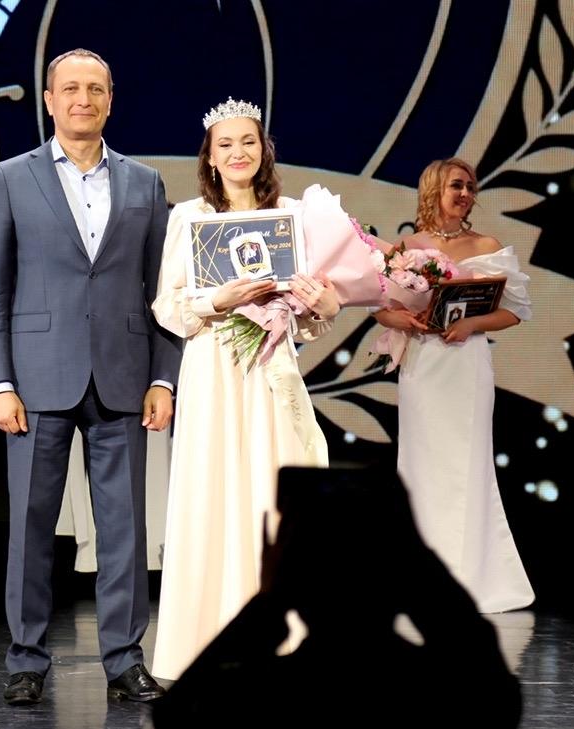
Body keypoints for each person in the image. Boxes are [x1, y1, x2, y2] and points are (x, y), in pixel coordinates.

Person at [0, 48, 182, 706]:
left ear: (110, 100)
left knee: (124, 530)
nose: (82, 99)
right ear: (49, 99)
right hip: (36, 381)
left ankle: (124, 660)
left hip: (124, 377)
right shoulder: (10, 179)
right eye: (70, 88)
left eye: (95, 88)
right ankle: (27, 659)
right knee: (31, 526)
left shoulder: (145, 183)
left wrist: (164, 378)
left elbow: (163, 294)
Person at [150, 97, 341, 680]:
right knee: (211, 490)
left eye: (248, 142)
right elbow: (167, 306)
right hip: (212, 369)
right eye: (226, 144)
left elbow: (313, 313)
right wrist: (219, 299)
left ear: (264, 150)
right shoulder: (189, 217)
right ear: (209, 156)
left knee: (272, 489)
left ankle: (284, 638)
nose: (238, 153)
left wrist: (323, 304)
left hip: (270, 369)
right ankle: (204, 639)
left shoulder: (290, 215)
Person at [150, 466, 522, 728]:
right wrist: (415, 561)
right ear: (401, 574)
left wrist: (269, 601)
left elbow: (173, 714)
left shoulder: (255, 697)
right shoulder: (441, 697)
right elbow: (497, 696)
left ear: (289, 575)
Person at [373, 157, 534, 613]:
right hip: (423, 366)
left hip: (466, 365)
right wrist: (402, 319)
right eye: (456, 186)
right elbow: (380, 307)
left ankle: (472, 579)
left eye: (469, 187)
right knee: (421, 466)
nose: (465, 194)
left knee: (468, 465)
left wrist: (472, 324)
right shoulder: (407, 248)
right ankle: (420, 576)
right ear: (433, 190)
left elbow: (516, 310)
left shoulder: (486, 245)